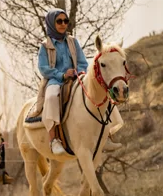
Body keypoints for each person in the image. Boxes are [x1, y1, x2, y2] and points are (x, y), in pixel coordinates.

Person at [38, 8, 122, 155]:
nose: (63, 24)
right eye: (59, 21)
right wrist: (62, 75)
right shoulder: (45, 46)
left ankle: (106, 134)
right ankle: (54, 140)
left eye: (65, 21)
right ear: (51, 23)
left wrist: (80, 72)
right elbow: (44, 69)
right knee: (51, 97)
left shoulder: (72, 41)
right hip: (55, 81)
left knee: (100, 92)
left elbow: (83, 62)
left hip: (77, 77)